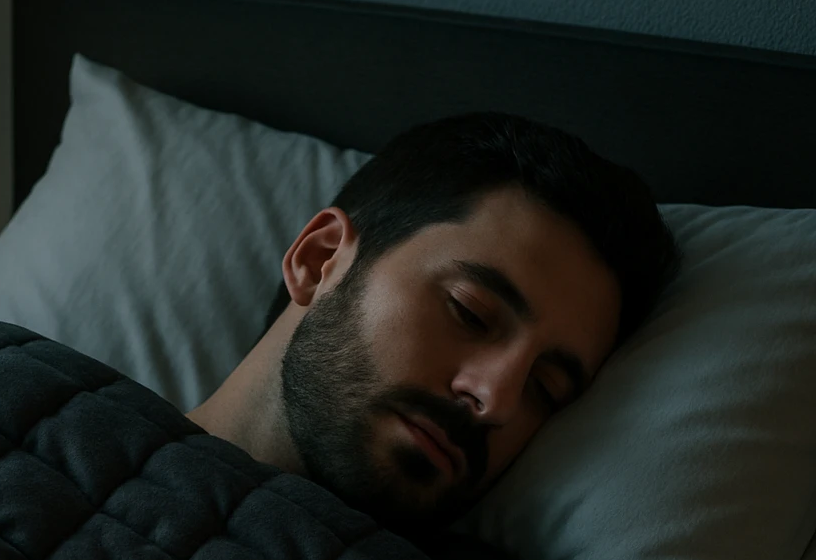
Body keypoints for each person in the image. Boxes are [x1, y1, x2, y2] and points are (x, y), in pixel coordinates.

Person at [188, 112, 679, 533]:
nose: (496, 401)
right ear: (319, 261)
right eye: (469, 312)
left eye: (544, 387)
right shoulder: (108, 434)